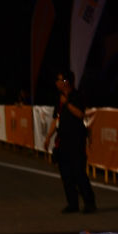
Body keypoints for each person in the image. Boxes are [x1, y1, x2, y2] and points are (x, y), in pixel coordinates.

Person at [44, 70, 96, 213]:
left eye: (59, 79)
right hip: (63, 141)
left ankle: (89, 203)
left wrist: (67, 103)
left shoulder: (77, 96)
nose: (57, 82)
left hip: (76, 141)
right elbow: (56, 118)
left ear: (66, 82)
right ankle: (72, 204)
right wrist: (48, 137)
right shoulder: (59, 98)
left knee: (79, 172)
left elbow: (80, 114)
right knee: (66, 174)